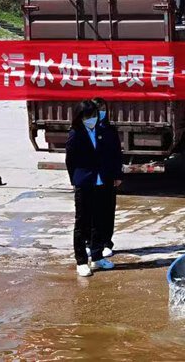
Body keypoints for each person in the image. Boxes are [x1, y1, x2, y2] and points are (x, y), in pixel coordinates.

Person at [65, 100, 120, 277]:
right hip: (85, 182)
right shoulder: (76, 134)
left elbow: (113, 155)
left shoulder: (103, 131)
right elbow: (70, 160)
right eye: (88, 116)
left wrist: (115, 175)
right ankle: (81, 260)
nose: (92, 119)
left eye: (94, 116)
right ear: (80, 117)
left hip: (102, 181)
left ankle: (97, 256)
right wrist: (76, 179)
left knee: (100, 220)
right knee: (83, 222)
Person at [92, 97, 122, 257]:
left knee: (107, 211)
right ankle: (91, 243)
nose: (101, 112)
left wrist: (118, 175)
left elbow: (117, 154)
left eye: (103, 109)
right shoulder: (85, 130)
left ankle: (106, 242)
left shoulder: (110, 130)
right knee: (90, 212)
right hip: (90, 178)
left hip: (108, 176)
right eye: (98, 109)